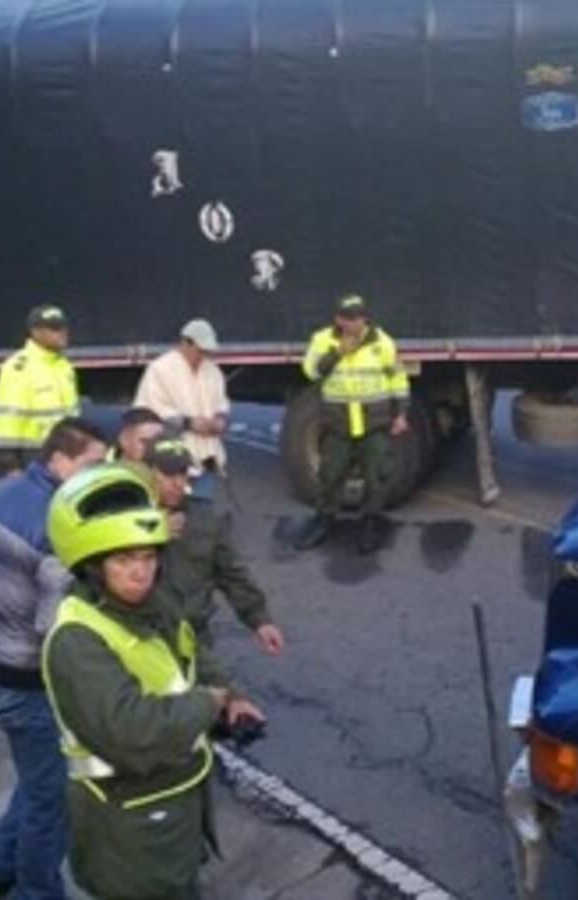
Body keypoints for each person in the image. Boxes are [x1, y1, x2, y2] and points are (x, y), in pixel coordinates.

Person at [41, 464, 266, 900]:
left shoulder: (153, 602)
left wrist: (230, 697)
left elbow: (188, 651)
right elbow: (131, 734)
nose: (140, 572)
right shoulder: (76, 641)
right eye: (124, 559)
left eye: (148, 557)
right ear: (92, 566)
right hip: (128, 826)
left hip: (174, 807)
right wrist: (207, 703)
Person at [0, 417, 108, 900]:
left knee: (34, 778)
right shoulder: (57, 526)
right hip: (22, 683)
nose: (95, 475)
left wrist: (1, 594)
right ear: (59, 459)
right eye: (90, 464)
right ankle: (35, 893)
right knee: (52, 800)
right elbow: (52, 629)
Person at [293, 293, 410, 555]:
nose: (351, 324)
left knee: (377, 475)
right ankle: (324, 520)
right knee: (330, 475)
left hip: (374, 423)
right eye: (346, 318)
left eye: (356, 318)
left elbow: (398, 379)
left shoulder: (382, 343)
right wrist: (336, 353)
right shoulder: (323, 340)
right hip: (338, 423)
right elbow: (310, 371)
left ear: (364, 318)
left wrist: (401, 413)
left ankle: (370, 523)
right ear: (337, 319)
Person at [145, 437, 285, 654]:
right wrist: (150, 533)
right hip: (146, 639)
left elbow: (229, 570)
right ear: (146, 473)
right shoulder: (123, 517)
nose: (178, 483)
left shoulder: (203, 516)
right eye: (168, 474)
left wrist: (260, 620)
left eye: (182, 474)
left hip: (195, 638)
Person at [134, 319, 231, 501]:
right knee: (172, 512)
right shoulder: (160, 369)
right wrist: (189, 423)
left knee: (202, 512)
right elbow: (149, 412)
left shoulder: (213, 371)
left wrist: (220, 420)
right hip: (172, 462)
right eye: (200, 351)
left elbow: (222, 403)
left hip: (207, 459)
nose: (203, 356)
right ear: (185, 342)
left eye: (207, 352)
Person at [0, 305, 80, 475]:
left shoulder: (64, 366)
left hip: (64, 452)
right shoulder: (19, 368)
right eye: (54, 328)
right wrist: (10, 464)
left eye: (63, 327)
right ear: (36, 332)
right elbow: (8, 420)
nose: (62, 332)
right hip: (34, 456)